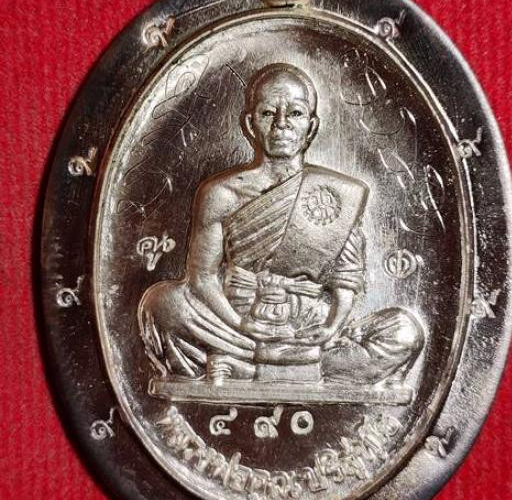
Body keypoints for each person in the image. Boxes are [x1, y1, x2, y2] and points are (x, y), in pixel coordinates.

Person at [139, 63, 423, 385]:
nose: (281, 124)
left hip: (309, 327)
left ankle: (247, 369)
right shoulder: (221, 194)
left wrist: (330, 327)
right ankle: (297, 368)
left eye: (296, 114)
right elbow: (202, 278)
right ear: (250, 124)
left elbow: (346, 279)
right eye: (268, 113)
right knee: (162, 304)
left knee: (404, 332)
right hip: (238, 322)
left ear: (311, 128)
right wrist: (241, 324)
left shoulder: (337, 193)